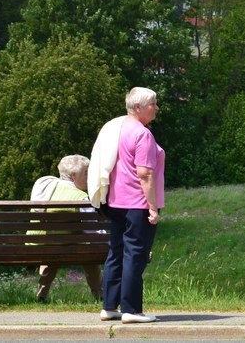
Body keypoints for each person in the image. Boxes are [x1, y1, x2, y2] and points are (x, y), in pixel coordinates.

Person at [89, 87, 165, 324]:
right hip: (137, 204)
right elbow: (145, 174)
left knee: (117, 252)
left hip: (115, 202)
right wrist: (152, 207)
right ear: (139, 107)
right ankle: (132, 310)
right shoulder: (142, 134)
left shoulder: (116, 129)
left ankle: (110, 306)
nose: (156, 108)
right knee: (136, 254)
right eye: (153, 103)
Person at [30, 154, 102, 302]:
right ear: (74, 176)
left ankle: (41, 296)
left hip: (39, 245)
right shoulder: (80, 198)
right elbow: (92, 231)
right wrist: (110, 242)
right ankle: (100, 296)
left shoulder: (45, 189)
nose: (89, 177)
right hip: (65, 245)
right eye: (86, 173)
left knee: (54, 251)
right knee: (89, 253)